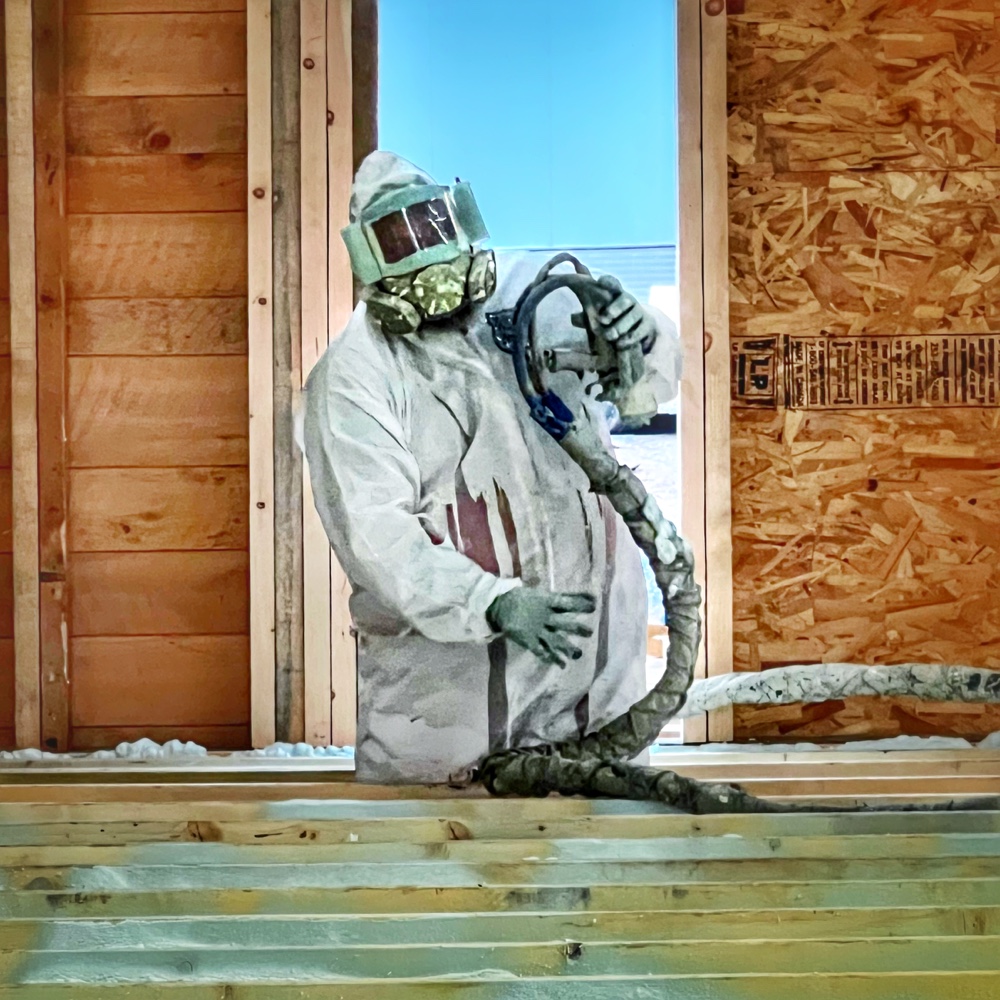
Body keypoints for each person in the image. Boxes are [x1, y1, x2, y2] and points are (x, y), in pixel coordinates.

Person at [303, 151, 681, 784]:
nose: (428, 259)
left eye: (433, 229)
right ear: (370, 268)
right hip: (449, 709)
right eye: (400, 247)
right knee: (445, 863)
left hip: (597, 671)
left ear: (462, 222)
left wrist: (636, 337)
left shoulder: (534, 296)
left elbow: (652, 379)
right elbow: (377, 536)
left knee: (615, 851)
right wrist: (491, 602)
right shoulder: (352, 378)